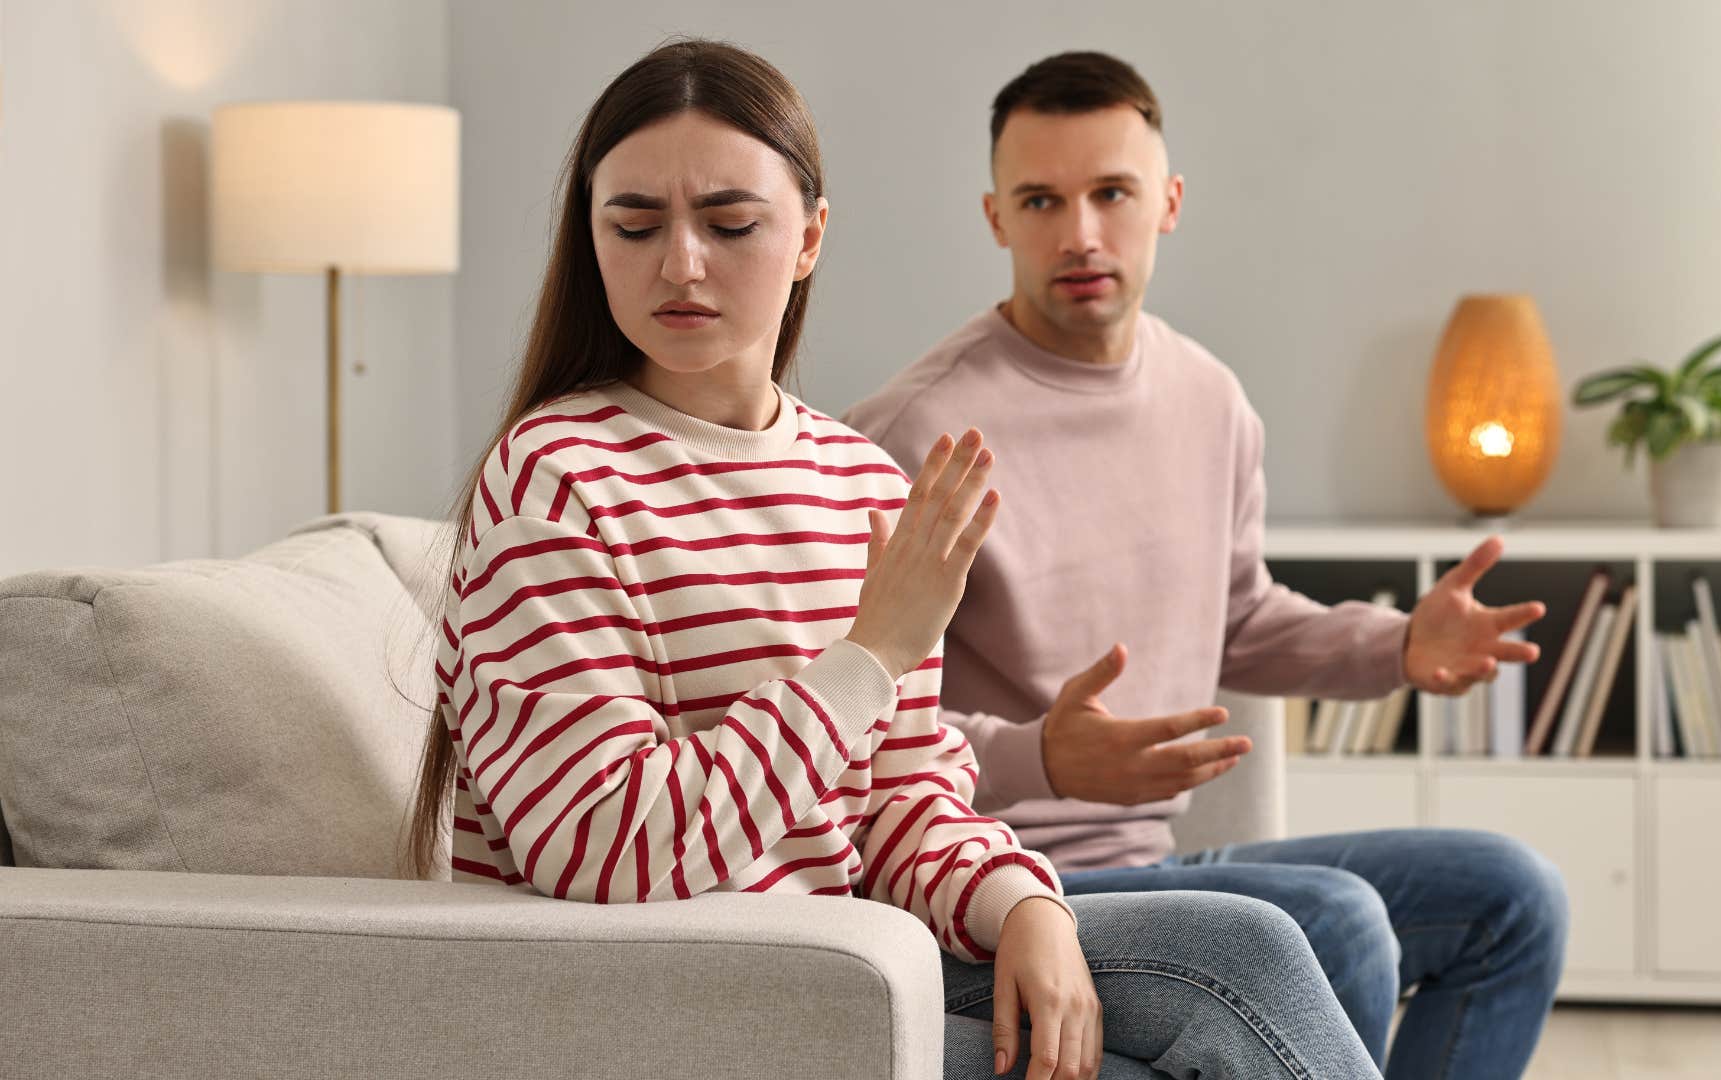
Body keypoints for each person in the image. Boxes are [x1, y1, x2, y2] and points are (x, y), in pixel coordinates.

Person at [406, 39, 1383, 1080]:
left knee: (1256, 949)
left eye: (730, 224)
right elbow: (599, 849)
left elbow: (899, 800)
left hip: (848, 955)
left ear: (811, 237)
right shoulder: (555, 477)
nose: (679, 263)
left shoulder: (860, 481)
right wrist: (867, 656)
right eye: (634, 225)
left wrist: (1023, 906)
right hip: (668, 998)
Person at [845, 51, 1570, 1080]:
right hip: (992, 875)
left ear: (1168, 202)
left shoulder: (1209, 399)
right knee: (1341, 919)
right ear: (997, 217)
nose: (1080, 233)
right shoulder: (911, 435)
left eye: (1111, 194)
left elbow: (1239, 622)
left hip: (1161, 866)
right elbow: (857, 720)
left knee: (1513, 894)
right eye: (1042, 200)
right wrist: (1042, 757)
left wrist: (1399, 645)